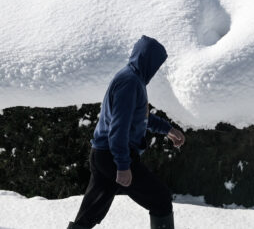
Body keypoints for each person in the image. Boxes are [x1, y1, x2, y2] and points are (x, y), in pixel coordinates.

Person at [68, 35, 186, 229]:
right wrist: (123, 165)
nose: (156, 70)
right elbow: (119, 127)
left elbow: (139, 117)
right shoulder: (130, 83)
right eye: (156, 64)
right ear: (148, 60)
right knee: (161, 199)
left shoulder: (132, 79)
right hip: (113, 156)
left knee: (88, 216)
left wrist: (168, 129)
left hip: (104, 154)